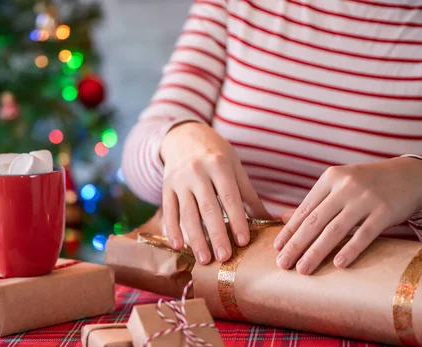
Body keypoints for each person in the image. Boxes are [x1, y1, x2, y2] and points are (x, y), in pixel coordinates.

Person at [122, 0, 422, 275]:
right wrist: (177, 139)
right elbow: (140, 149)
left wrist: (415, 181)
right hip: (217, 286)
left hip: (383, 306)